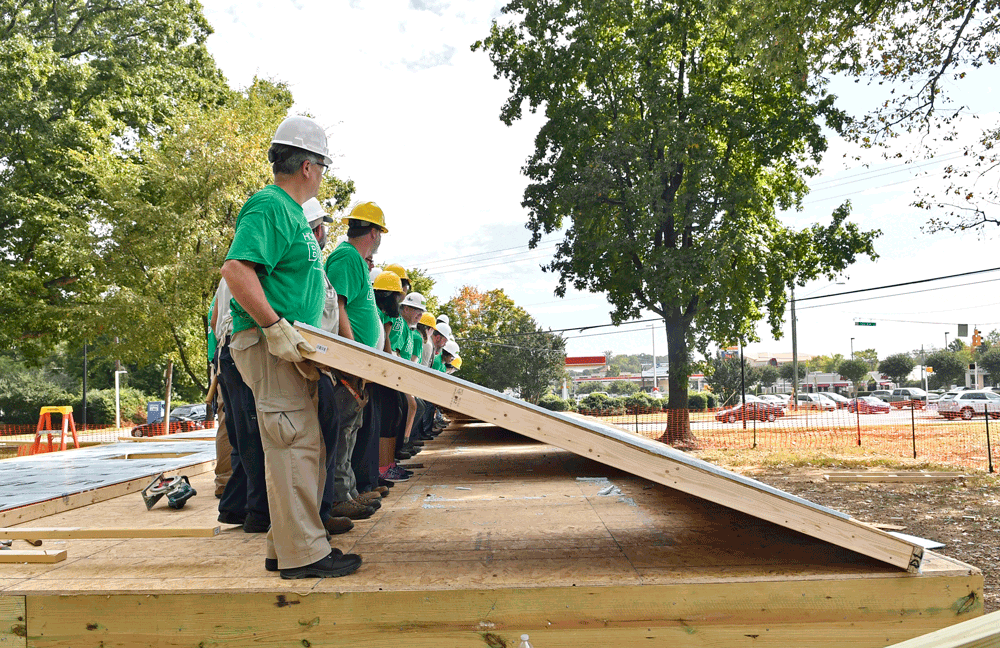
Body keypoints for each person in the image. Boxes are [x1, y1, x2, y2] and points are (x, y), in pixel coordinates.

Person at [220, 115, 361, 579]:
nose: (323, 173)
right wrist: (275, 326)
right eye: (322, 164)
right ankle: (305, 556)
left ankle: (286, 546)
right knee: (293, 443)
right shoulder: (269, 206)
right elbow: (237, 270)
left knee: (297, 443)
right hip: (270, 346)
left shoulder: (290, 213)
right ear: (306, 166)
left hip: (289, 348)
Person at [324, 201, 388, 520]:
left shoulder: (357, 261)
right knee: (343, 427)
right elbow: (338, 303)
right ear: (374, 232)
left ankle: (348, 491)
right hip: (351, 361)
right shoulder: (347, 256)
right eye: (380, 233)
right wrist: (350, 351)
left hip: (361, 363)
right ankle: (338, 495)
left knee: (351, 426)